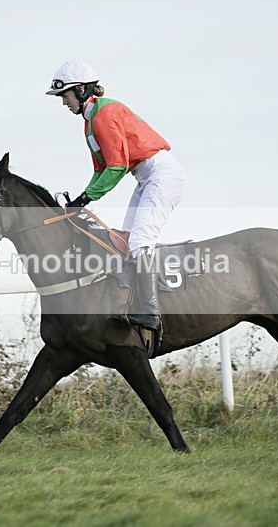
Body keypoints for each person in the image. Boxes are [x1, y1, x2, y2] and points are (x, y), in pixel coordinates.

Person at [46, 60, 186, 343]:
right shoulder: (89, 122)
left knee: (138, 242)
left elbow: (116, 166)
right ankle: (134, 302)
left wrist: (85, 199)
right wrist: (80, 201)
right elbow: (101, 170)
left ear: (82, 90)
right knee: (125, 240)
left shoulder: (104, 114)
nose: (63, 103)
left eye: (65, 95)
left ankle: (150, 312)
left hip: (160, 173)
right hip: (145, 176)